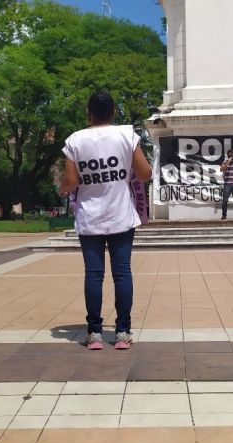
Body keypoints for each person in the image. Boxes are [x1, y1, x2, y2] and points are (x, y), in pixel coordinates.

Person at [58, 91, 152, 350]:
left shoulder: (75, 140)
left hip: (90, 219)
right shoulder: (126, 135)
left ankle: (94, 334)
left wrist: (61, 189)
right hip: (120, 216)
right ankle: (122, 333)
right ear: (113, 113)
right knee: (122, 274)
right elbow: (145, 174)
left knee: (94, 275)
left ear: (88, 114)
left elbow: (71, 180)